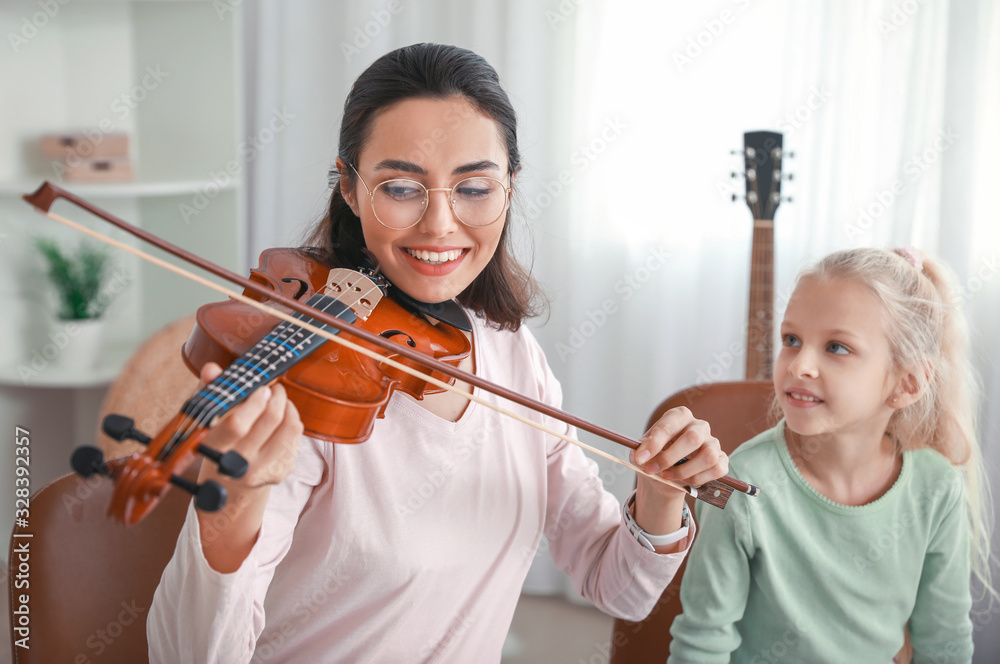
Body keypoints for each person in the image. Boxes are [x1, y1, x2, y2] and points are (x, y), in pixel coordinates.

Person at [147, 43, 730, 663]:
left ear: (510, 188)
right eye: (400, 187)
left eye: (474, 187)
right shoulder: (304, 386)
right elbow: (188, 656)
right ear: (348, 185)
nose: (440, 225)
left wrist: (661, 496)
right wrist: (231, 511)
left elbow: (618, 587)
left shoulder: (513, 355)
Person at [668, 247, 994, 663]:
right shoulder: (740, 483)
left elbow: (943, 646)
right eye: (791, 340)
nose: (799, 364)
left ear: (908, 382)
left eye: (837, 347)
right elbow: (702, 643)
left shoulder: (937, 489)